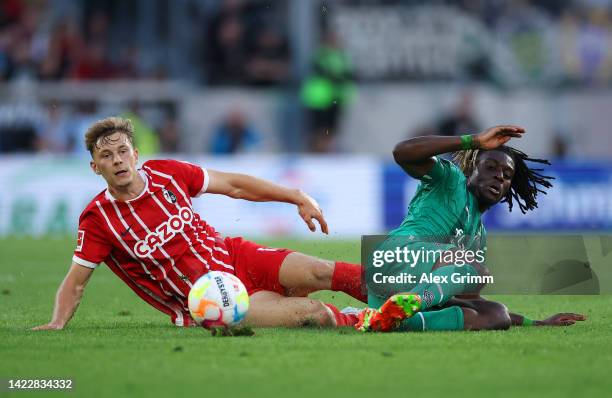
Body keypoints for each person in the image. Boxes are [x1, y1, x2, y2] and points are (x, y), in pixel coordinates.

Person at [32, 117, 365, 331]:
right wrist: (57, 322)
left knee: (322, 271)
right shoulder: (98, 220)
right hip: (211, 302)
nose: (117, 160)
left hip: (235, 256)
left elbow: (235, 184)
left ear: (135, 154)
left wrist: (295, 196)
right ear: (95, 167)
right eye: (107, 156)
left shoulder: (167, 173)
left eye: (122, 152)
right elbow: (76, 282)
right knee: (313, 314)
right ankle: (380, 321)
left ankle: (413, 293)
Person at [355, 125, 586, 332]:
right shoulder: (450, 180)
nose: (498, 177)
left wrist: (536, 323)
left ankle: (390, 319)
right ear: (470, 168)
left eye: (507, 176)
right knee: (475, 268)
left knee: (496, 314)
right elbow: (402, 152)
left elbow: (468, 296)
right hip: (394, 261)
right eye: (491, 167)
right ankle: (415, 301)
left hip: (393, 297)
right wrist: (472, 141)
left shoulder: (478, 236)